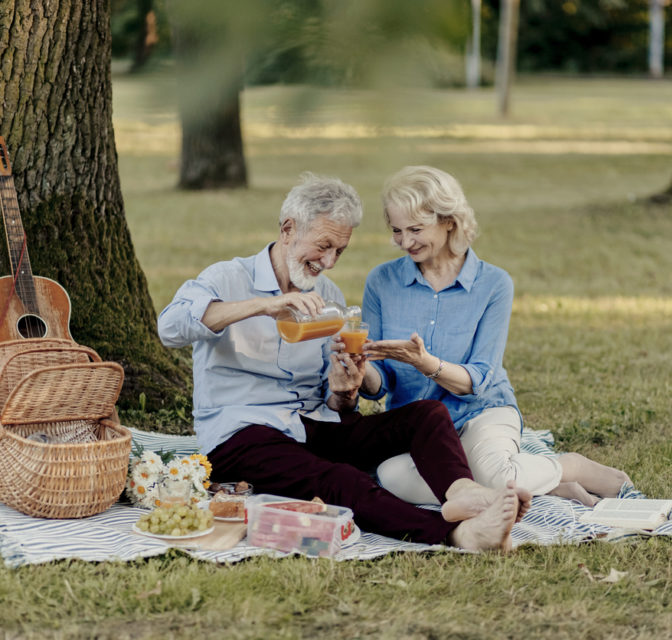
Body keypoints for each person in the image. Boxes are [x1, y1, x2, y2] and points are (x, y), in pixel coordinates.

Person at [157, 172, 526, 551]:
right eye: (324, 245)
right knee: (342, 481)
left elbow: (336, 402)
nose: (329, 261)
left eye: (340, 251)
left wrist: (345, 388)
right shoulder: (228, 278)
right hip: (244, 434)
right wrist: (265, 306)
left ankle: (461, 492)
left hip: (310, 426)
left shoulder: (326, 296)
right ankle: (455, 534)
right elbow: (169, 328)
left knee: (427, 414)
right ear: (288, 229)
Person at [357, 166, 631, 507]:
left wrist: (425, 364)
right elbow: (379, 383)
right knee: (391, 478)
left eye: (415, 229)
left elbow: (480, 378)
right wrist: (359, 369)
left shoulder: (494, 284)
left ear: (449, 222)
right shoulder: (381, 281)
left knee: (492, 474)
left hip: (480, 410)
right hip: (418, 424)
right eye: (397, 230)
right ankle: (539, 484)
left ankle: (567, 467)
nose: (405, 242)